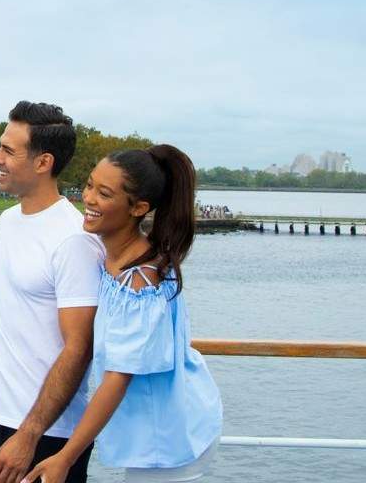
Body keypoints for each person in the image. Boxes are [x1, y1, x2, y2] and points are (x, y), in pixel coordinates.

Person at [25, 146, 223, 483]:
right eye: (89, 185)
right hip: (154, 432)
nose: (89, 198)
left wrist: (65, 458)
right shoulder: (115, 259)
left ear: (139, 208)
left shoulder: (140, 280)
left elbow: (118, 379)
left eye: (104, 193)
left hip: (167, 436)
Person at [0, 102, 105, 483]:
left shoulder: (74, 239)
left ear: (43, 162)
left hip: (46, 433)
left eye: (9, 151)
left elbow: (80, 347)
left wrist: (29, 435)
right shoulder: (10, 220)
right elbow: (20, 293)